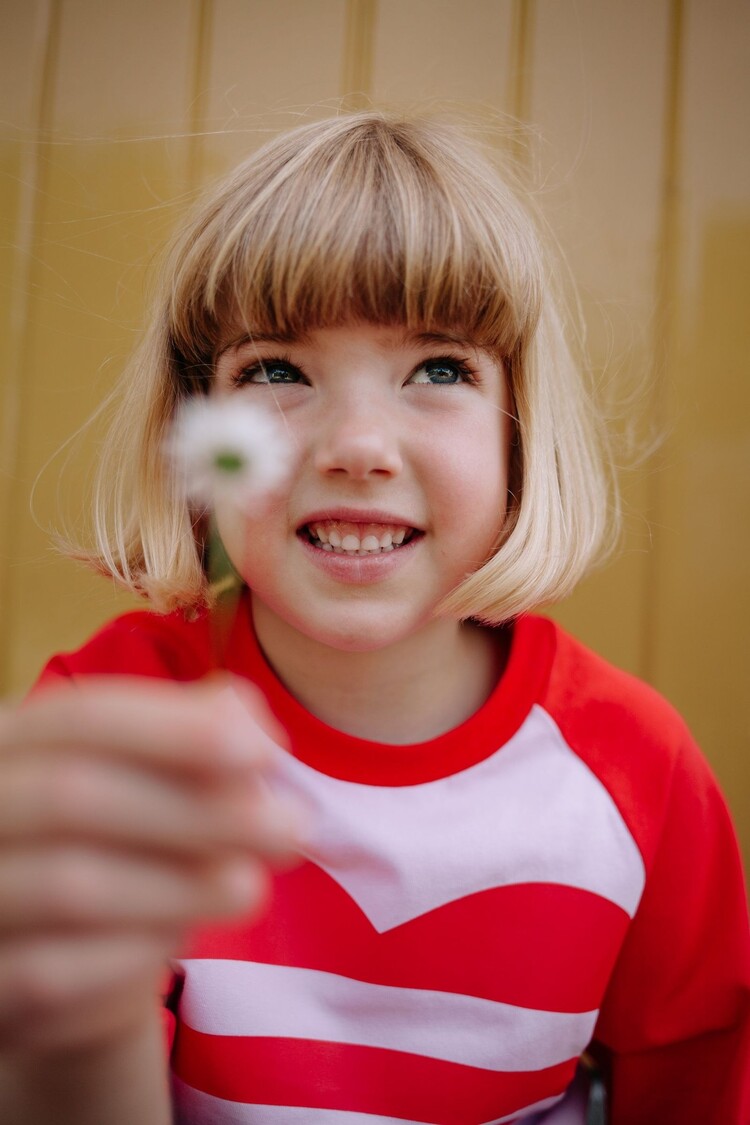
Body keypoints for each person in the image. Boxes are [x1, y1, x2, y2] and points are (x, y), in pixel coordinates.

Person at [0, 112, 747, 1125]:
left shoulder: (635, 772)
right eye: (275, 371)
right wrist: (74, 1011)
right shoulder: (122, 723)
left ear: (524, 434)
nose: (357, 445)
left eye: (440, 370)